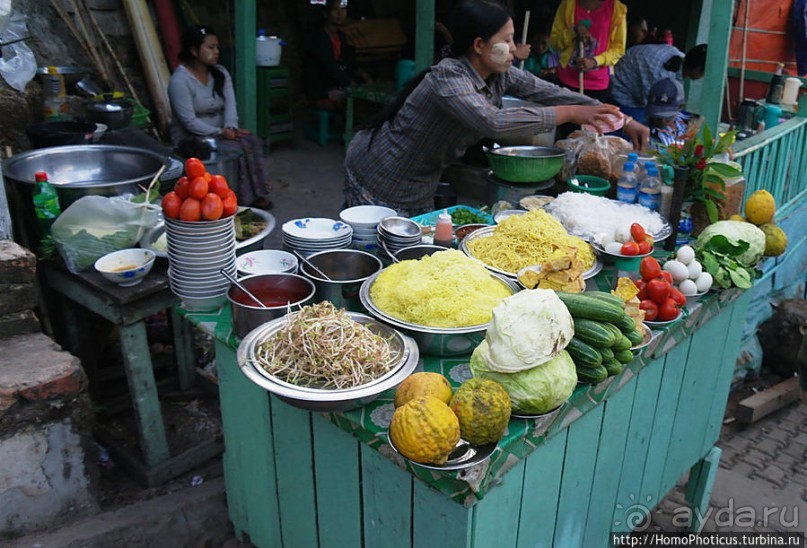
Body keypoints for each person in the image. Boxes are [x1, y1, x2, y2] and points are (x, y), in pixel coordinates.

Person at [342, 0, 649, 216]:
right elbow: (492, 121)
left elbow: (552, 92)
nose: (515, 49)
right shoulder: (448, 77)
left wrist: (624, 119)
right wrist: (570, 113)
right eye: (508, 40)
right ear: (479, 45)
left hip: (420, 184)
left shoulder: (500, 74)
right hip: (380, 175)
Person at [167, 25, 272, 209]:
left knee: (251, 141)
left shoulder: (220, 73)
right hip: (192, 137)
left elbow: (230, 105)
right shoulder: (180, 81)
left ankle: (256, 194)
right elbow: (189, 122)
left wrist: (231, 128)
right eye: (211, 47)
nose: (217, 51)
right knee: (234, 149)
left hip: (221, 132)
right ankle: (235, 198)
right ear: (194, 50)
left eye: (217, 47)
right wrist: (220, 132)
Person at [550, 0, 628, 101]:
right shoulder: (568, 4)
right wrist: (573, 31)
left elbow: (618, 49)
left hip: (598, 84)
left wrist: (595, 61)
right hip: (566, 79)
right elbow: (554, 42)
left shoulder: (616, 8)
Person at [610, 43, 707, 124]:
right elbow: (655, 111)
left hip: (638, 80)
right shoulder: (661, 77)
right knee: (640, 129)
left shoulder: (681, 58)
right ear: (697, 69)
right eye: (704, 72)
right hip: (622, 89)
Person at [303, 0, 371, 111]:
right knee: (356, 102)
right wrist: (350, 84)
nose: (340, 13)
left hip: (336, 84)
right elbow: (330, 67)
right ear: (326, 14)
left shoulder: (340, 36)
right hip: (322, 89)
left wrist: (363, 74)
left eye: (343, 9)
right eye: (335, 10)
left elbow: (349, 60)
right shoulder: (320, 38)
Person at [644, 78, 691, 150]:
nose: (662, 121)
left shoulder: (690, 125)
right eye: (657, 117)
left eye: (668, 117)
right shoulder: (644, 133)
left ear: (680, 107)